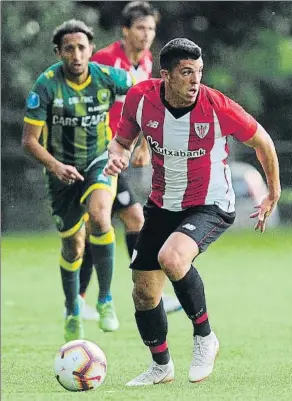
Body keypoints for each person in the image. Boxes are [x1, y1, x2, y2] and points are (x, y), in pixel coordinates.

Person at [104, 38, 281, 385]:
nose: (195, 80)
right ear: (166, 74)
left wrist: (273, 191)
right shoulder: (140, 99)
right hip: (163, 203)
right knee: (143, 291)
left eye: (199, 72)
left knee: (173, 258)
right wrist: (117, 153)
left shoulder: (217, 106)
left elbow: (263, 142)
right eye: (187, 73)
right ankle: (161, 366)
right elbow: (121, 140)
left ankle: (205, 338)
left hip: (210, 203)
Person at [22, 19, 134, 342]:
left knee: (101, 217)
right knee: (73, 246)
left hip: (100, 161)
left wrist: (127, 146)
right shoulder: (45, 86)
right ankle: (73, 309)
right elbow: (29, 141)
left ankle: (106, 300)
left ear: (91, 50)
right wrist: (56, 166)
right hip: (61, 171)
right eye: (68, 48)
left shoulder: (107, 77)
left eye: (82, 47)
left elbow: (145, 96)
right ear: (58, 52)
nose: (76, 54)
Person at [78, 0, 181, 317]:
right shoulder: (106, 60)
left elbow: (141, 108)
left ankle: (141, 291)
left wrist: (144, 144)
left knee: (123, 219)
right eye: (140, 28)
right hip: (98, 153)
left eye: (151, 28)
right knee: (108, 220)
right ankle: (80, 299)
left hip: (117, 153)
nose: (147, 34)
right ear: (125, 31)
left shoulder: (148, 61)